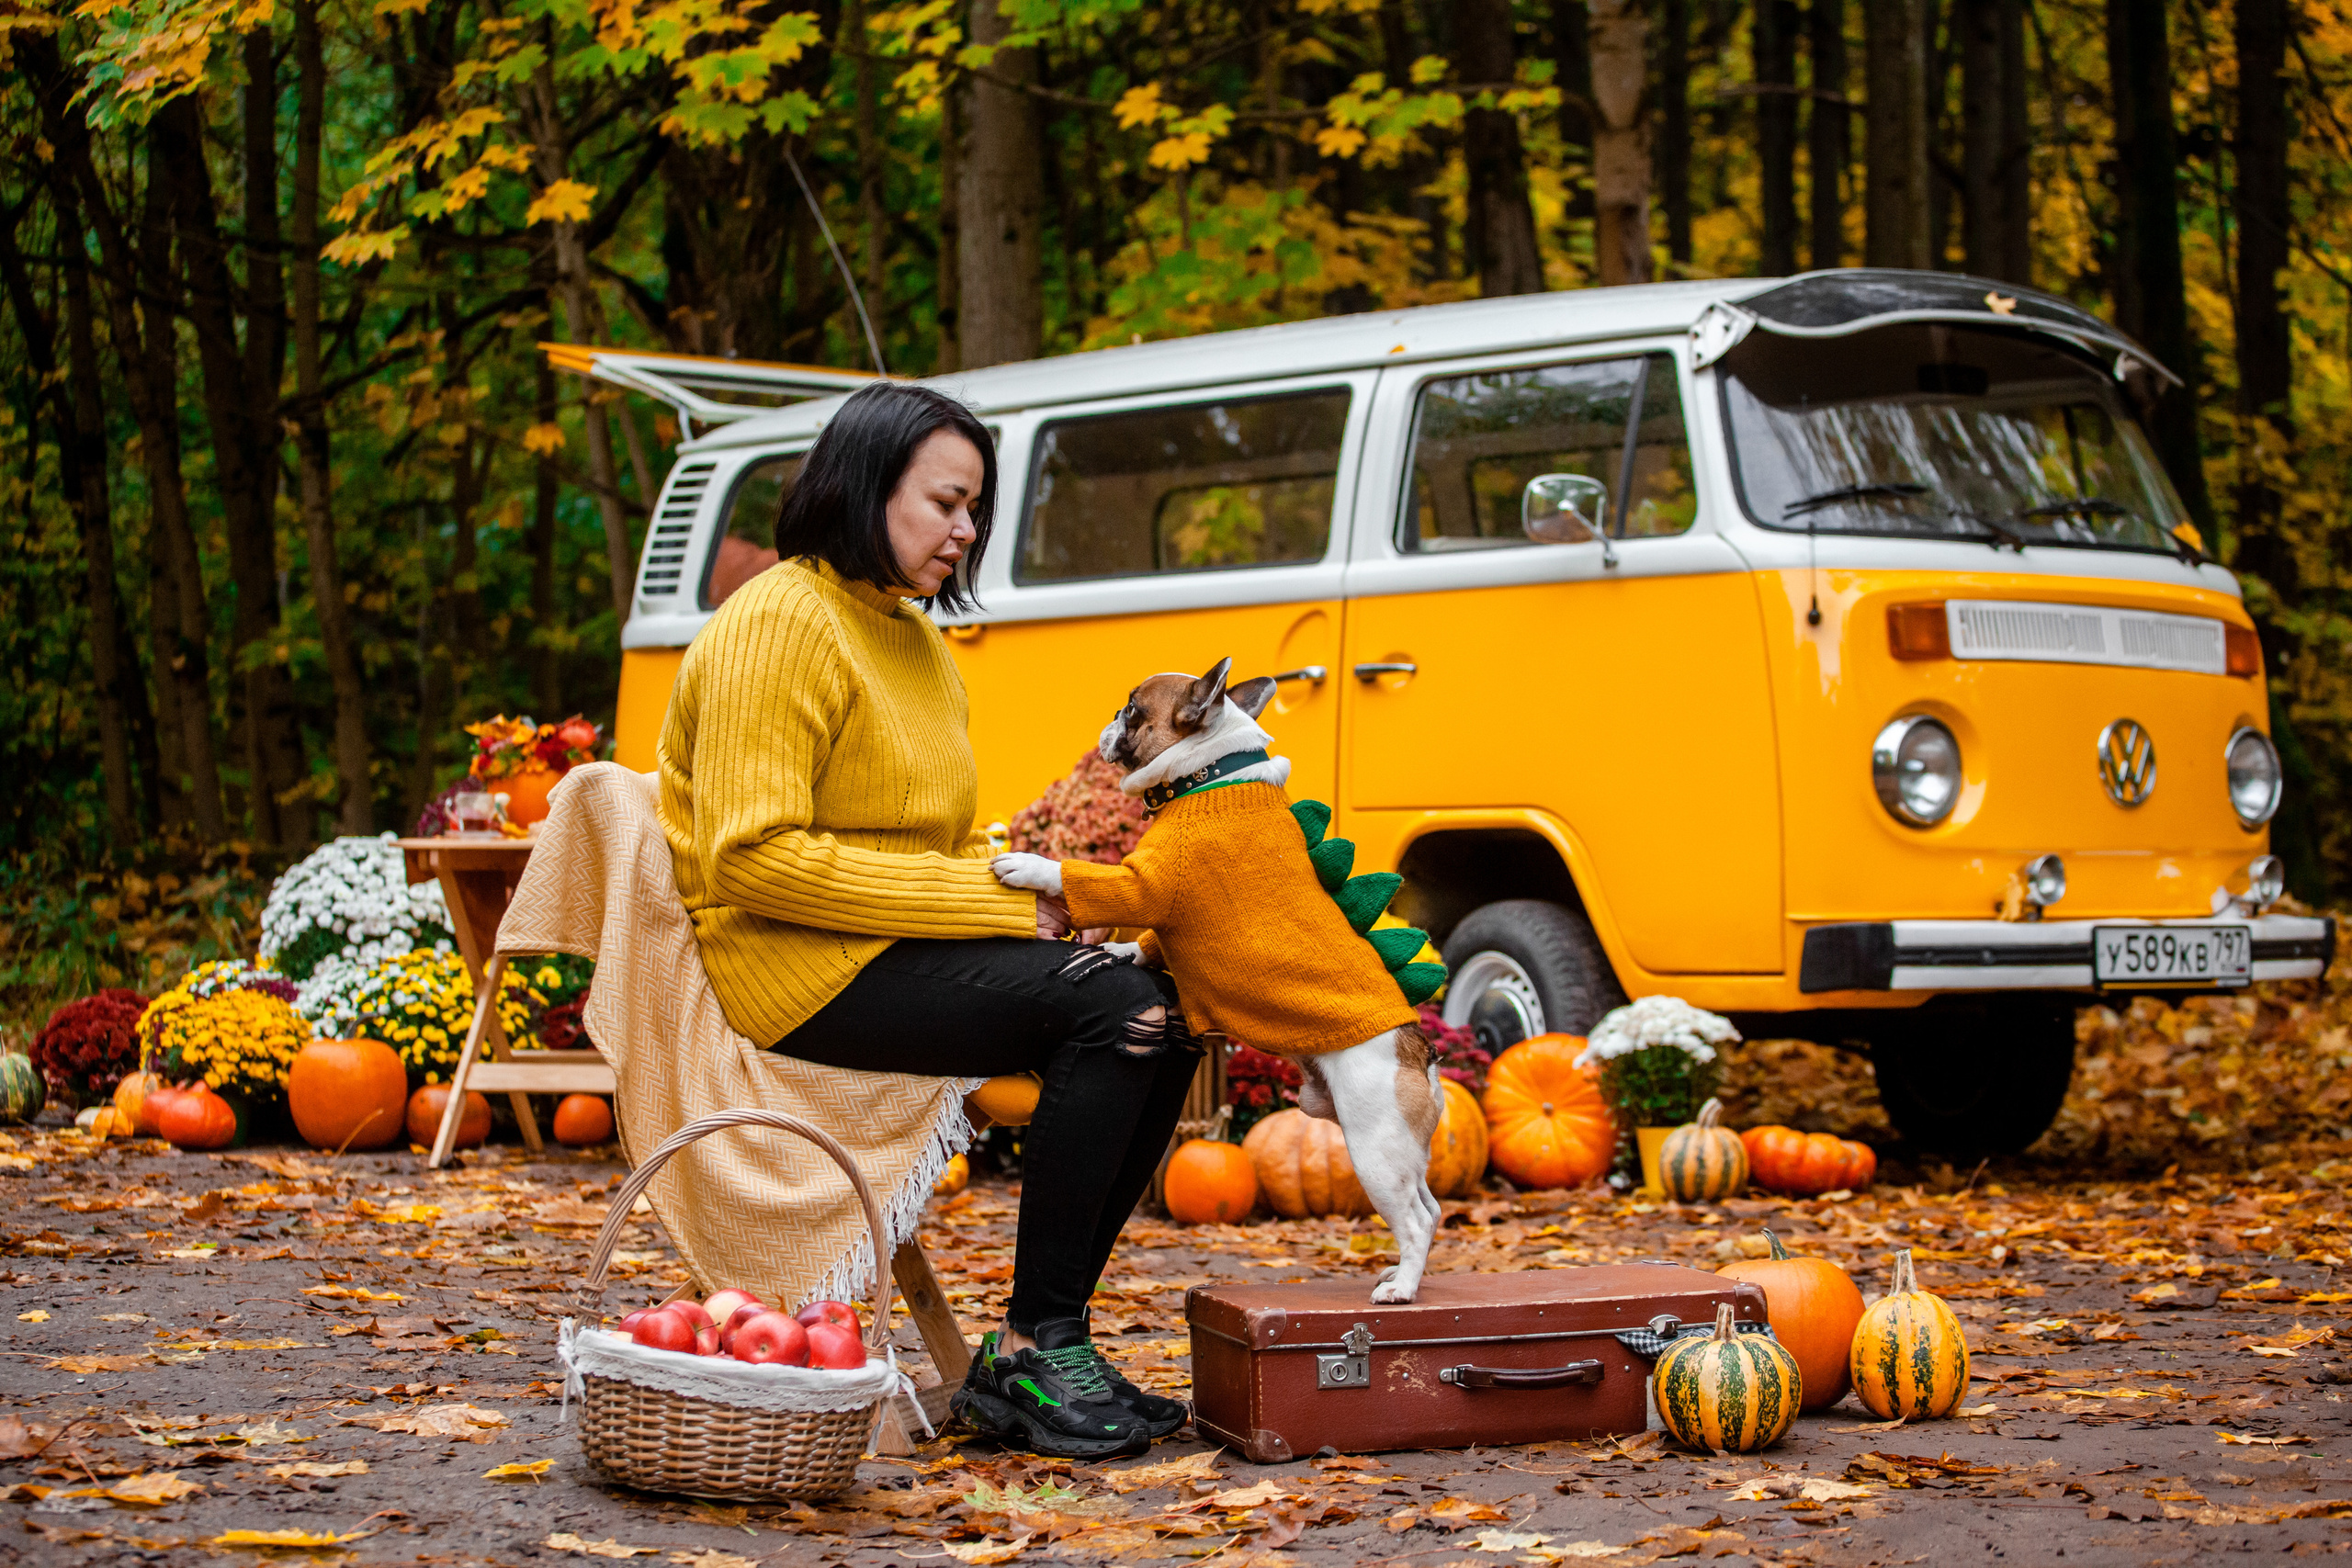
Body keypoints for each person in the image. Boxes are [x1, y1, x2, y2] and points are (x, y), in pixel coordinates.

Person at [656, 381, 1197, 1460]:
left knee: (1164, 1014)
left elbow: (933, 844)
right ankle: (1039, 1350)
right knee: (1118, 1016)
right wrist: (999, 904)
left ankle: (1047, 1345)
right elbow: (753, 859)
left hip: (897, 949)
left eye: (973, 510)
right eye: (946, 503)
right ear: (864, 488)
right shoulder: (775, 627)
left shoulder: (913, 641)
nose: (965, 531)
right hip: (790, 972)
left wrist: (1048, 907)